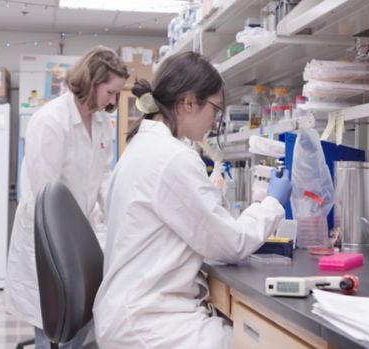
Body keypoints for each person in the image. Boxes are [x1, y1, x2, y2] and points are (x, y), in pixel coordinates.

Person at [93, 51, 292, 349]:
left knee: (242, 332)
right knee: (263, 341)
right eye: (215, 109)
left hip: (132, 311)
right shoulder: (173, 157)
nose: (215, 121)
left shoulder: (144, 147)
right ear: (188, 102)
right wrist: (273, 202)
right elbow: (232, 244)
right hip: (147, 323)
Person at [5, 46, 129, 349]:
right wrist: (74, 237)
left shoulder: (101, 122)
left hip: (80, 234)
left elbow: (103, 178)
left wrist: (119, 216)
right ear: (92, 81)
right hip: (48, 235)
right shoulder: (50, 121)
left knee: (80, 314)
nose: (113, 101)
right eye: (110, 92)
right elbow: (46, 195)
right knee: (51, 320)